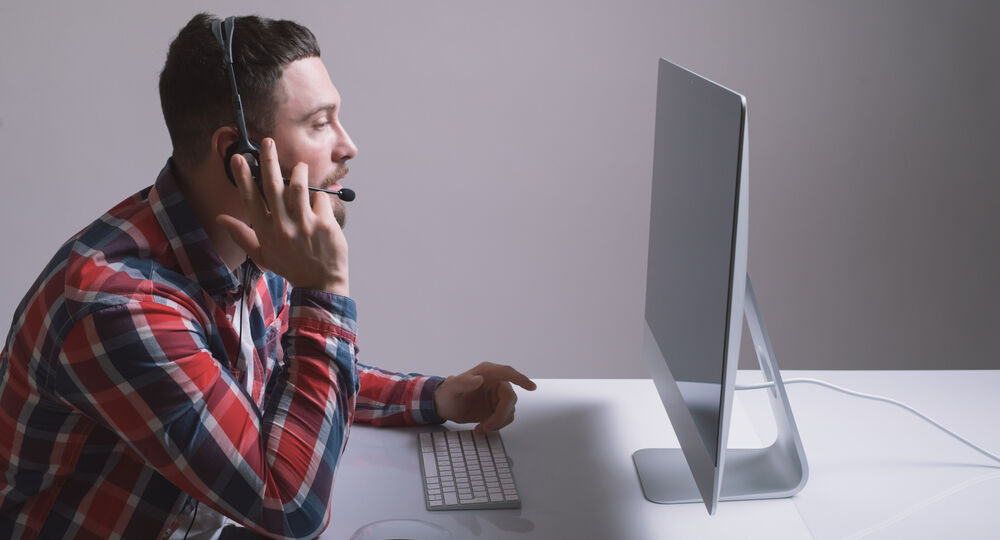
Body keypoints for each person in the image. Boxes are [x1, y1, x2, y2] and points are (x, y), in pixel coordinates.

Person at [0, 13, 536, 540]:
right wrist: (324, 288)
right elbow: (289, 507)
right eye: (320, 123)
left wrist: (436, 398)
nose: (348, 147)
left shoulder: (248, 245)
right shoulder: (120, 306)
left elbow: (288, 370)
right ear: (240, 156)